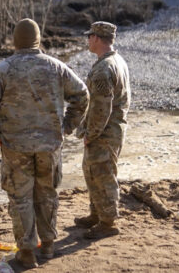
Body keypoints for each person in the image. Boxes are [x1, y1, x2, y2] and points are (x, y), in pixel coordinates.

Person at [0, 18, 89, 268]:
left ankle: (26, 251)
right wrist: (67, 127)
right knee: (47, 194)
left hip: (15, 146)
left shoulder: (2, 69)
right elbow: (82, 95)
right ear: (38, 40)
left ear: (16, 41)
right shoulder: (57, 67)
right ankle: (47, 245)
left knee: (20, 198)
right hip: (50, 145)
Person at [74, 21, 130, 239]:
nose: (88, 40)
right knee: (93, 173)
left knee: (103, 175)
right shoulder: (115, 61)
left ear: (97, 38)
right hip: (112, 129)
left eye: (90, 36)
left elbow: (101, 109)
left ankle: (108, 222)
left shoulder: (104, 69)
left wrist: (90, 134)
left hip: (105, 132)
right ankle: (97, 215)